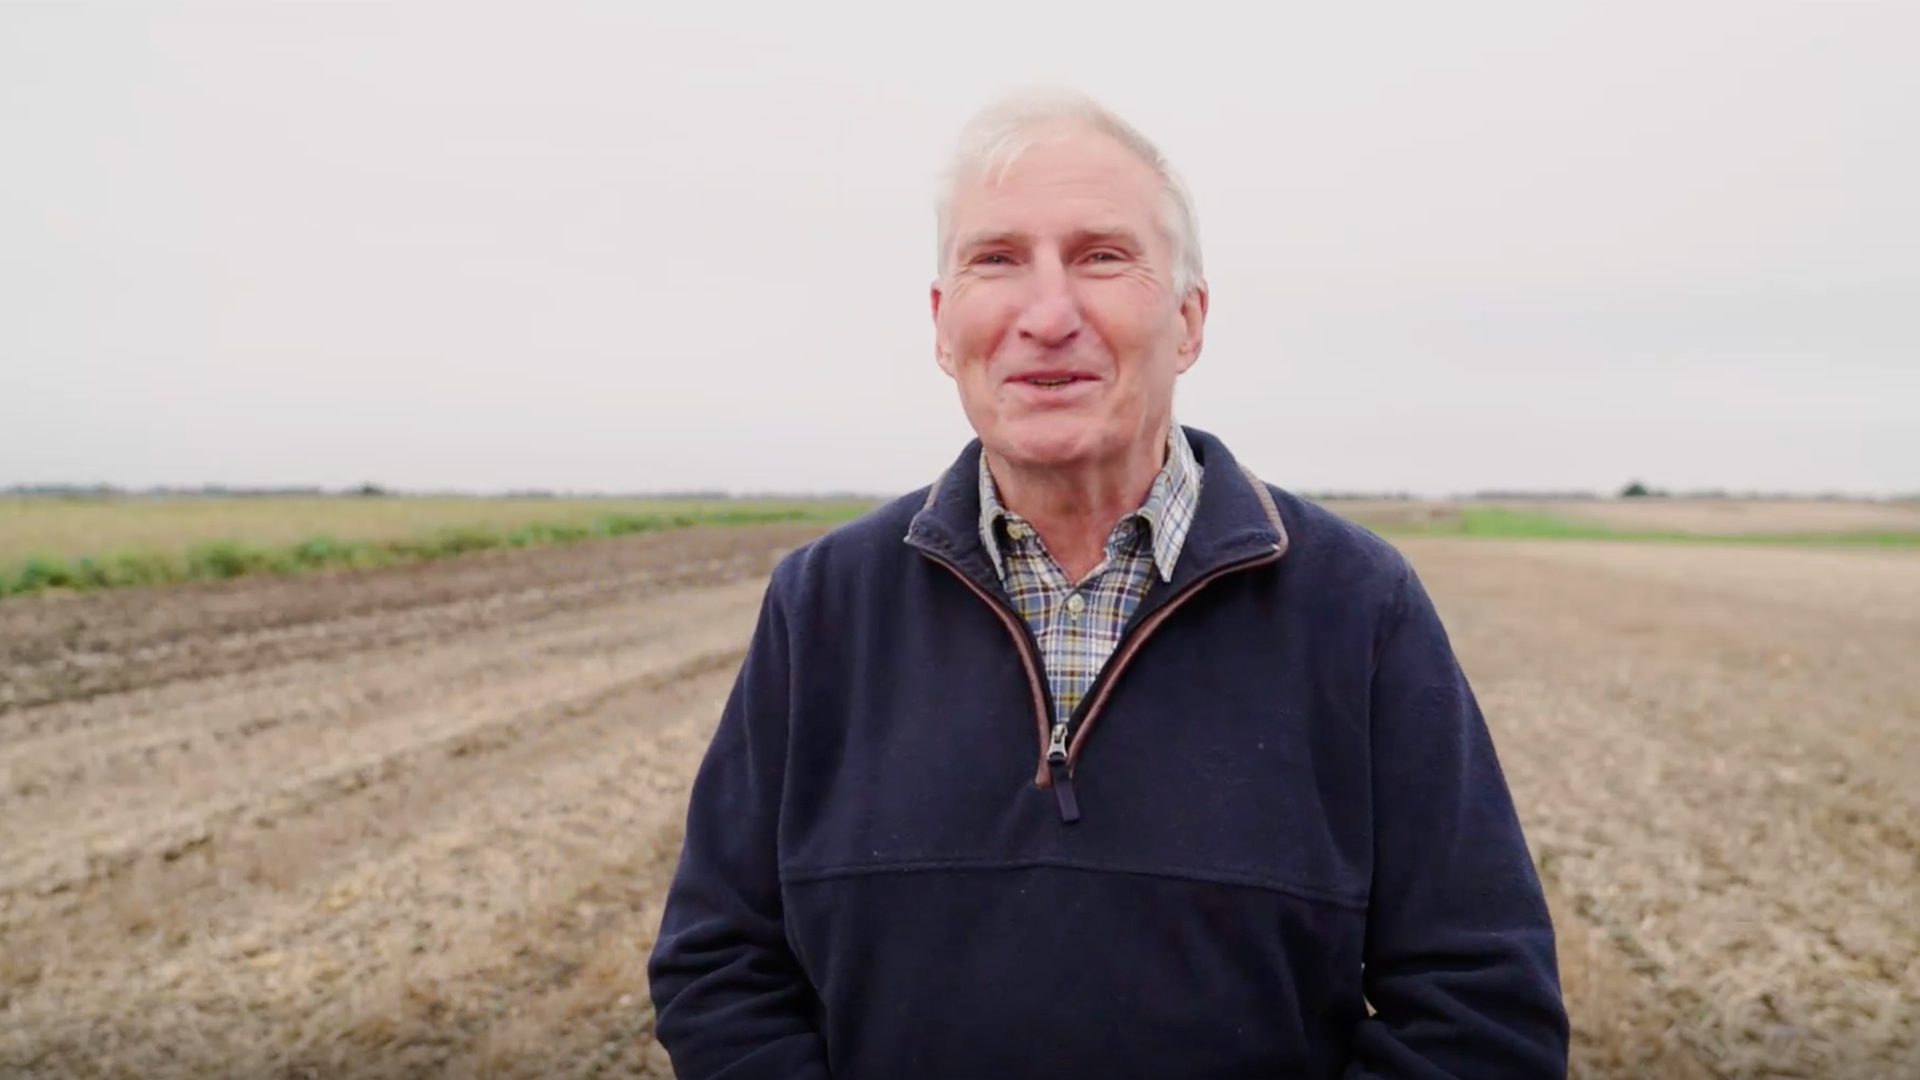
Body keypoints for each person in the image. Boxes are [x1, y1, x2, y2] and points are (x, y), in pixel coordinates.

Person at [646, 85, 1570, 1079]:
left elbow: (1481, 1013)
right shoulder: (824, 604)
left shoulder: (1358, 605)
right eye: (996, 259)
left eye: (1101, 256)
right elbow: (719, 968)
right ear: (943, 324)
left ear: (1189, 319)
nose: (1048, 316)